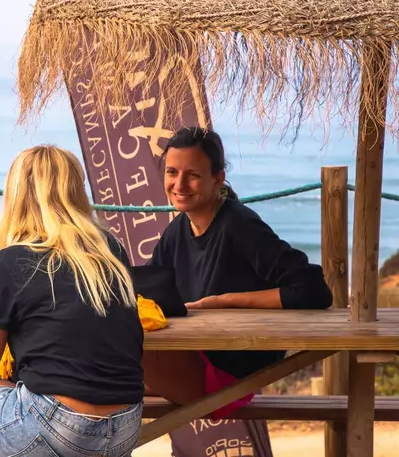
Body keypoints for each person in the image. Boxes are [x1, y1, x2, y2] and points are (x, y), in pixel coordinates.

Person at [0, 146, 145, 457]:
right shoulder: (109, 251)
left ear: (16, 196)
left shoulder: (8, 263)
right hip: (125, 426)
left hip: (57, 426)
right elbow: (70, 314)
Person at [143, 126, 333, 412]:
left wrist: (227, 300)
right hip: (190, 361)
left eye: (192, 175)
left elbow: (315, 290)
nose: (179, 185)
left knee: (99, 378)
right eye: (172, 172)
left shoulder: (239, 225)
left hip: (227, 381)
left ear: (218, 178)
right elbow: (148, 289)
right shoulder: (177, 231)